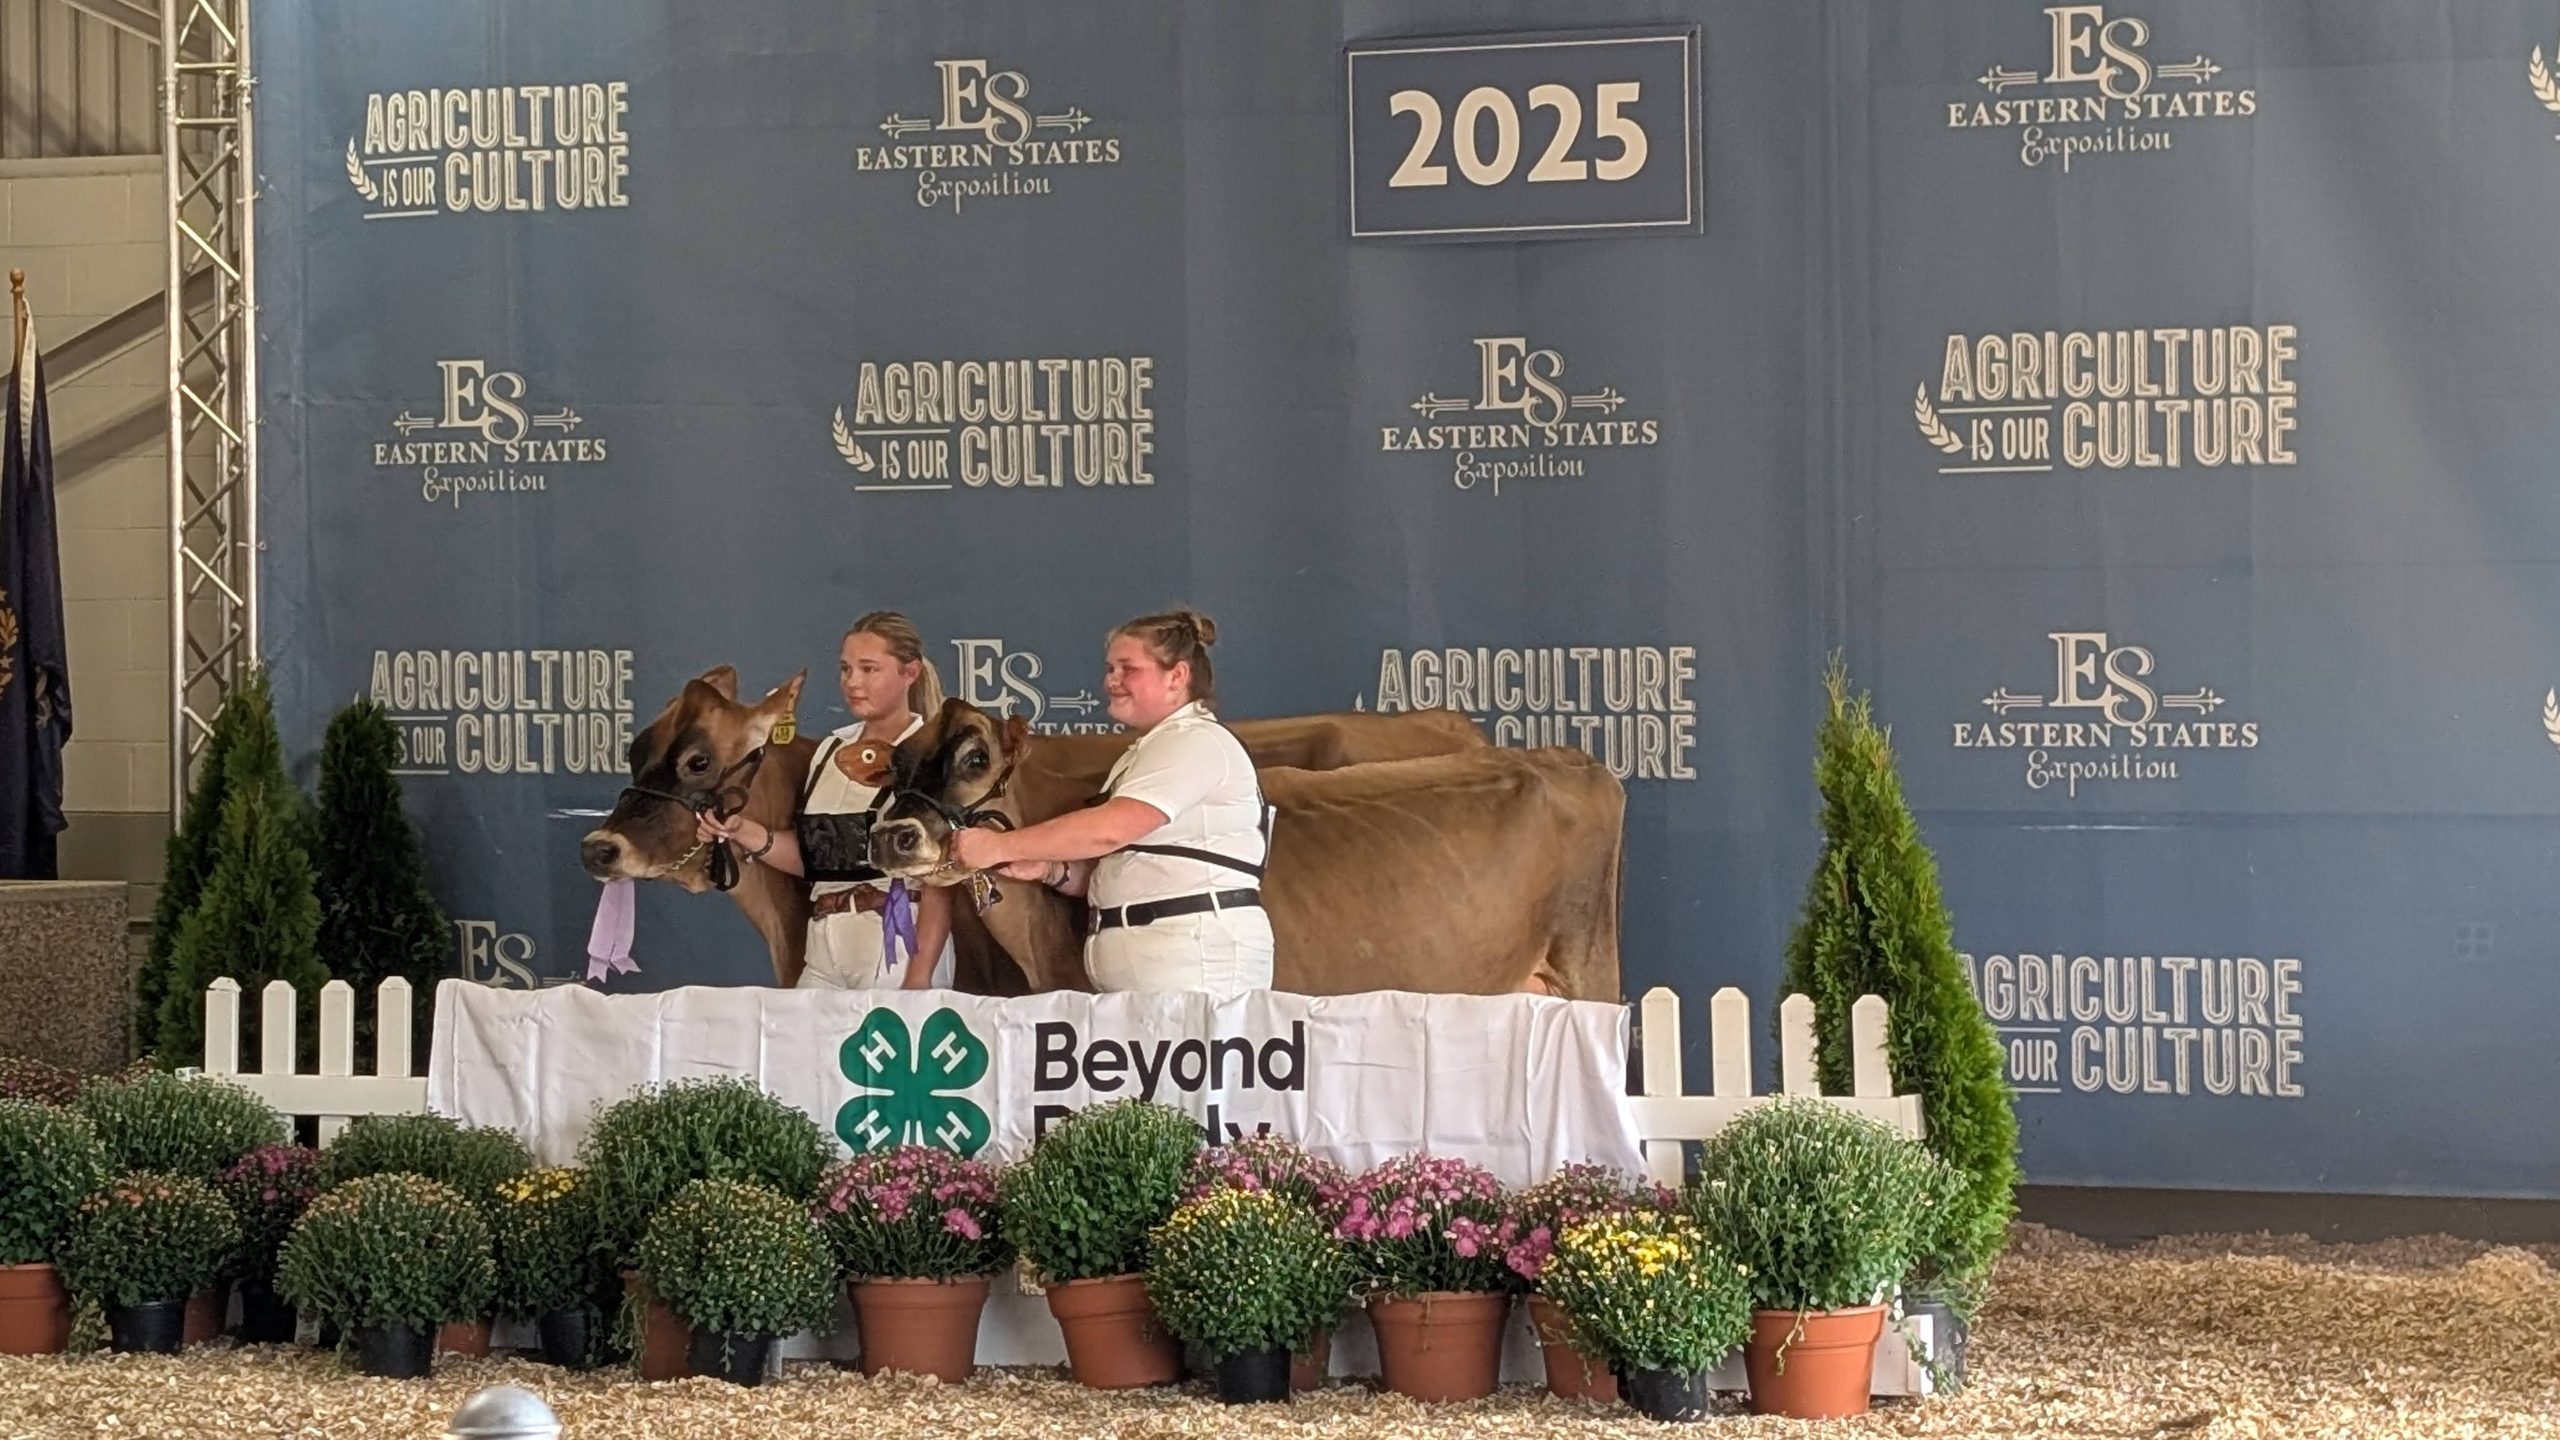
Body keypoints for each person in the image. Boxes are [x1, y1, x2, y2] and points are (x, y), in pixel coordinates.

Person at [949, 609, 1273, 998]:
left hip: (1194, 962)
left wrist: (999, 845)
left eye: (1127, 669)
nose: (1111, 681)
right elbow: (1127, 868)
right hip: (1154, 965)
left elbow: (1108, 831)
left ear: (1177, 677)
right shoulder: (1146, 752)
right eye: (1109, 669)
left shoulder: (1195, 741)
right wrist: (1050, 870)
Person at [698, 612, 956, 990]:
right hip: (823, 941)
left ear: (910, 672)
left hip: (896, 941)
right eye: (846, 669)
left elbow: (939, 882)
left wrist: (919, 977)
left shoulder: (933, 751)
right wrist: (746, 832)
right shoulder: (830, 749)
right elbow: (817, 858)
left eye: (869, 670)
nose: (853, 682)